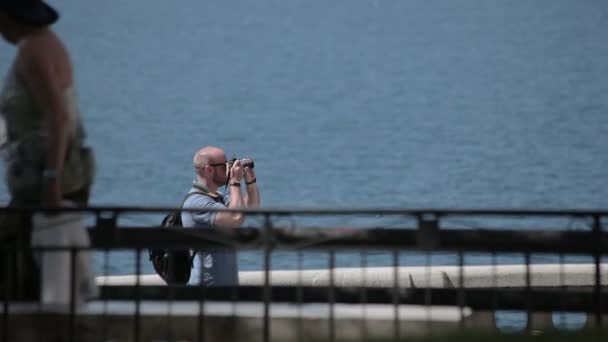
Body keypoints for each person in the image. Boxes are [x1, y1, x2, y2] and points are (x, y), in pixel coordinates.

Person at [0, 0, 96, 301]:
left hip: (48, 180)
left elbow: (58, 116)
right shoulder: (45, 44)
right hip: (49, 176)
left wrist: (51, 179)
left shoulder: (34, 51)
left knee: (25, 271)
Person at [182, 146, 261, 286]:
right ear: (208, 170)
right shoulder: (196, 202)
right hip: (206, 291)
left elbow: (251, 208)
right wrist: (234, 182)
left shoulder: (218, 197)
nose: (228, 168)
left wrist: (250, 181)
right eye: (224, 165)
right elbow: (235, 218)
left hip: (225, 289)